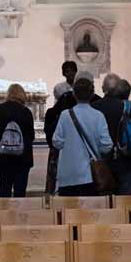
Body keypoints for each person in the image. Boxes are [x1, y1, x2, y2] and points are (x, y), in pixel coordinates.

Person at [52, 76, 113, 195]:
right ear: (92, 94)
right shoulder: (98, 116)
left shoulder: (65, 115)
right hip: (90, 175)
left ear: (74, 94)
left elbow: (57, 142)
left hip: (68, 174)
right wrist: (96, 151)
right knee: (90, 212)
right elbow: (107, 145)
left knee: (68, 212)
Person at [0, 83, 35, 198]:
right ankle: (19, 215)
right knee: (20, 193)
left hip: (4, 157)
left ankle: (4, 214)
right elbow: (32, 136)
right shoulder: (26, 112)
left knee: (4, 190)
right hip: (22, 159)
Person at [94, 73, 131, 194]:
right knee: (125, 202)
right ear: (118, 89)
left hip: (101, 160)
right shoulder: (127, 107)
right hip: (123, 159)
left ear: (102, 89)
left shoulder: (94, 107)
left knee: (102, 200)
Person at [43, 67, 77, 195]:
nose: (70, 73)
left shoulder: (55, 114)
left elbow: (53, 139)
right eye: (68, 71)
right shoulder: (59, 113)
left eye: (72, 70)